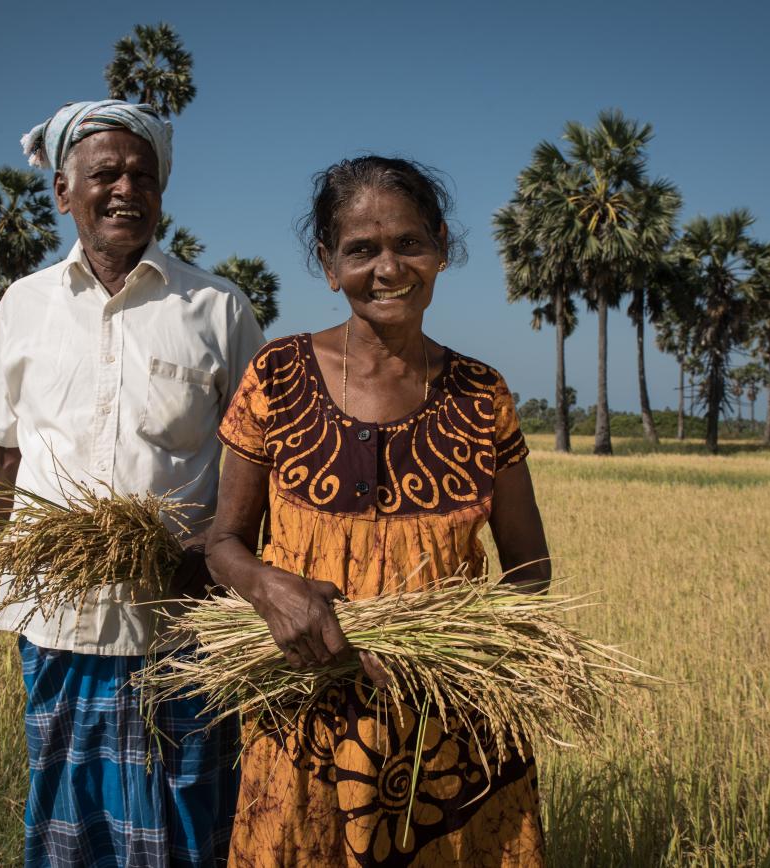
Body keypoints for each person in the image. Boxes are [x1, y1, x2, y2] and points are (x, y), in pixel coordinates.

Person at [0, 99, 265, 867]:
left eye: (142, 175)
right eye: (105, 173)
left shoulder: (216, 309)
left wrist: (212, 550)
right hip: (57, 622)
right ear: (62, 191)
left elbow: (267, 465)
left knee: (188, 822)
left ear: (160, 192)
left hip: (183, 625)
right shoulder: (24, 306)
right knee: (70, 823)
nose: (125, 189)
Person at [207, 156, 551, 867]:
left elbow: (531, 568)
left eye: (409, 244)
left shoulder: (481, 396)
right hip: (303, 712)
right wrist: (270, 588)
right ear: (330, 267)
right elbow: (224, 542)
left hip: (447, 731)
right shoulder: (276, 376)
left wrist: (458, 653)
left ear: (441, 249)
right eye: (361, 250)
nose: (388, 268)